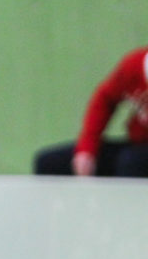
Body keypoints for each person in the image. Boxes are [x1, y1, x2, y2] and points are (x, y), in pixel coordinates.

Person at [33, 45, 148, 177]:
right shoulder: (134, 66)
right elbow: (105, 99)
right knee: (49, 163)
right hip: (136, 145)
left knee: (131, 162)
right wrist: (87, 149)